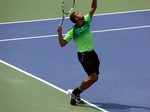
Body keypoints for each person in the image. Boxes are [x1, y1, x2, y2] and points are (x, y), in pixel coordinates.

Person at [57, 0, 100, 105]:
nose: (81, 13)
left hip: (92, 53)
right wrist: (59, 33)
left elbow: (93, 7)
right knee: (93, 77)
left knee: (95, 78)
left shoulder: (86, 20)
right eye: (78, 13)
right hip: (84, 56)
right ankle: (74, 93)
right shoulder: (72, 31)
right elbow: (62, 44)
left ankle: (77, 93)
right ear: (76, 18)